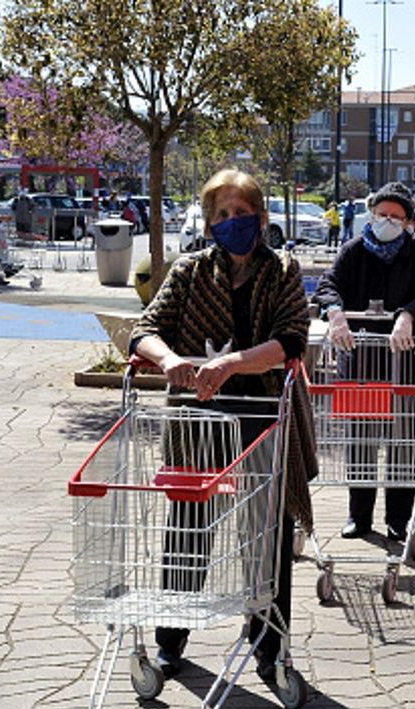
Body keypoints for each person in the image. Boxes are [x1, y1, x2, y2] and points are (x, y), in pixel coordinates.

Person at [129, 168, 313, 680]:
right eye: (223, 214)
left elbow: (292, 339)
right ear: (210, 222)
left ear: (260, 216)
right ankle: (172, 638)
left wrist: (231, 364)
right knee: (188, 529)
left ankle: (267, 645)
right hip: (197, 421)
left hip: (260, 417)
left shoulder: (281, 271)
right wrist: (168, 361)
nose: (233, 221)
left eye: (242, 212)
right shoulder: (189, 273)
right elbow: (144, 331)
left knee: (265, 535)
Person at [314, 181, 415, 541]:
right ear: (371, 215)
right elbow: (328, 285)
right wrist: (335, 313)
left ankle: (399, 521)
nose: (387, 221)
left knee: (403, 442)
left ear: (408, 222)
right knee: (361, 440)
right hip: (360, 362)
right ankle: (359, 516)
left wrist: (408, 316)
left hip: (405, 361)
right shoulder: (353, 250)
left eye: (395, 216)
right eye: (381, 214)